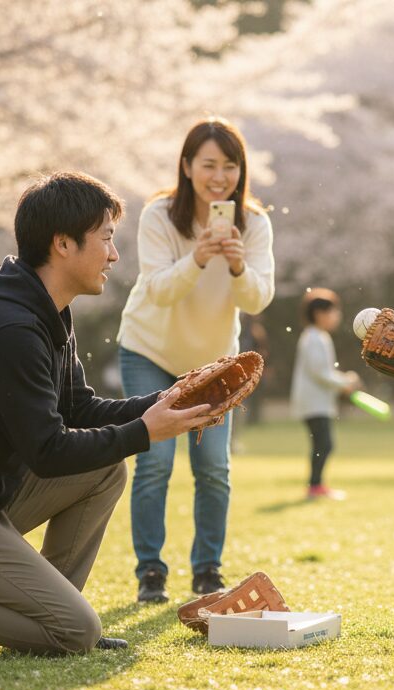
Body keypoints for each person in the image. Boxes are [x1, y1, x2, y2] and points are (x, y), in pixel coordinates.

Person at [0, 172, 214, 656]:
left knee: (105, 469)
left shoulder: (46, 312)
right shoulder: (10, 328)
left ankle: (54, 611)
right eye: (107, 239)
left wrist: (165, 402)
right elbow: (47, 451)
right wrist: (145, 432)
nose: (114, 255)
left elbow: (78, 408)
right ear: (63, 244)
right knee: (76, 634)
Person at [116, 118, 275, 603]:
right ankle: (150, 573)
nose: (219, 177)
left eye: (230, 166)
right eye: (208, 165)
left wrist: (236, 264)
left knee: (212, 468)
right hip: (150, 351)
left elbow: (258, 300)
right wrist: (199, 257)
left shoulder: (255, 223)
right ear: (187, 167)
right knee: (156, 462)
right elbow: (159, 290)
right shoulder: (160, 216)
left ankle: (207, 570)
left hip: (214, 363)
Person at [290, 288, 361, 500]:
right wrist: (345, 382)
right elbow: (320, 372)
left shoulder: (318, 337)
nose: (337, 316)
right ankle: (315, 486)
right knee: (324, 444)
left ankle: (316, 485)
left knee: (323, 444)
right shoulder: (314, 338)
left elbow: (323, 371)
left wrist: (342, 380)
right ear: (320, 313)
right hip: (314, 403)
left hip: (318, 402)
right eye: (334, 311)